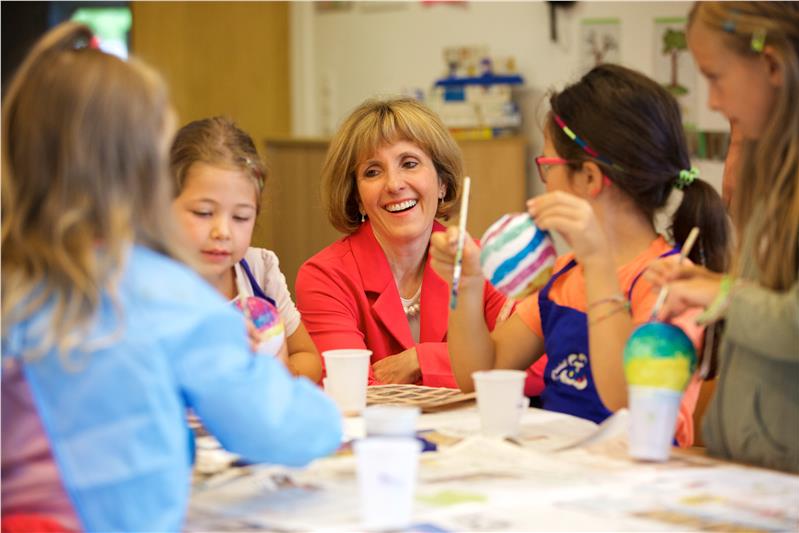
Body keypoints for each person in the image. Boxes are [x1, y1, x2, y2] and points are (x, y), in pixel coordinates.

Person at [0, 23, 341, 532]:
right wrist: (331, 419)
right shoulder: (165, 295)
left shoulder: (16, 281)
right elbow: (277, 428)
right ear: (145, 176)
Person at [431, 64, 731, 447]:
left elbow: (630, 404)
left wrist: (598, 261)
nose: (544, 183)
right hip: (565, 465)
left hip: (635, 474)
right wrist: (468, 286)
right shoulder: (568, 273)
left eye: (547, 167)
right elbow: (481, 374)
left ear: (589, 178)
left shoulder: (672, 285)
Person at [647, 1, 799, 473]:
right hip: (754, 467)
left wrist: (722, 294)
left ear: (771, 65)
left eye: (715, 78)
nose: (712, 102)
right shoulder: (777, 175)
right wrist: (710, 284)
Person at [295, 97, 512, 387]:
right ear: (357, 197)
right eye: (373, 172)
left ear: (442, 183)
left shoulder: (481, 261)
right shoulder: (325, 276)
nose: (394, 184)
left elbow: (534, 365)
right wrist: (476, 363)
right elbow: (351, 389)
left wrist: (422, 360)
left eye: (409, 164)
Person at [171, 117, 322, 382]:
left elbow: (308, 357)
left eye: (240, 217)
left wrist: (280, 372)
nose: (223, 232)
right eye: (204, 213)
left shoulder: (259, 270)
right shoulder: (149, 288)